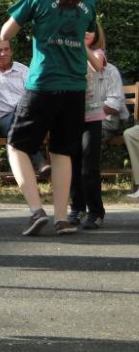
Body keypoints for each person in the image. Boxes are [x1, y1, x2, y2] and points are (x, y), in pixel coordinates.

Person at [0, 0, 97, 236]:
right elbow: (89, 35)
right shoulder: (87, 0)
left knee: (16, 145)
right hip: (75, 87)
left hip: (43, 84)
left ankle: (36, 210)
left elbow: (5, 34)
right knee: (62, 152)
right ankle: (62, 218)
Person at [0, 36, 50, 176]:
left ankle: (36, 168)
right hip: (5, 119)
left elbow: (37, 92)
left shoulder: (23, 70)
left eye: (6, 49)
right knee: (16, 123)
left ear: (11, 51)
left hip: (28, 115)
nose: (3, 53)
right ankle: (40, 161)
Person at [69, 24, 107, 229]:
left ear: (96, 34)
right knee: (72, 166)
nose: (84, 32)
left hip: (92, 117)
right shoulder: (68, 53)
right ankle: (77, 207)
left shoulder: (97, 53)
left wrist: (80, 45)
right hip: (71, 117)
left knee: (89, 168)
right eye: (80, 28)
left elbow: (96, 66)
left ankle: (96, 211)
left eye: (88, 29)